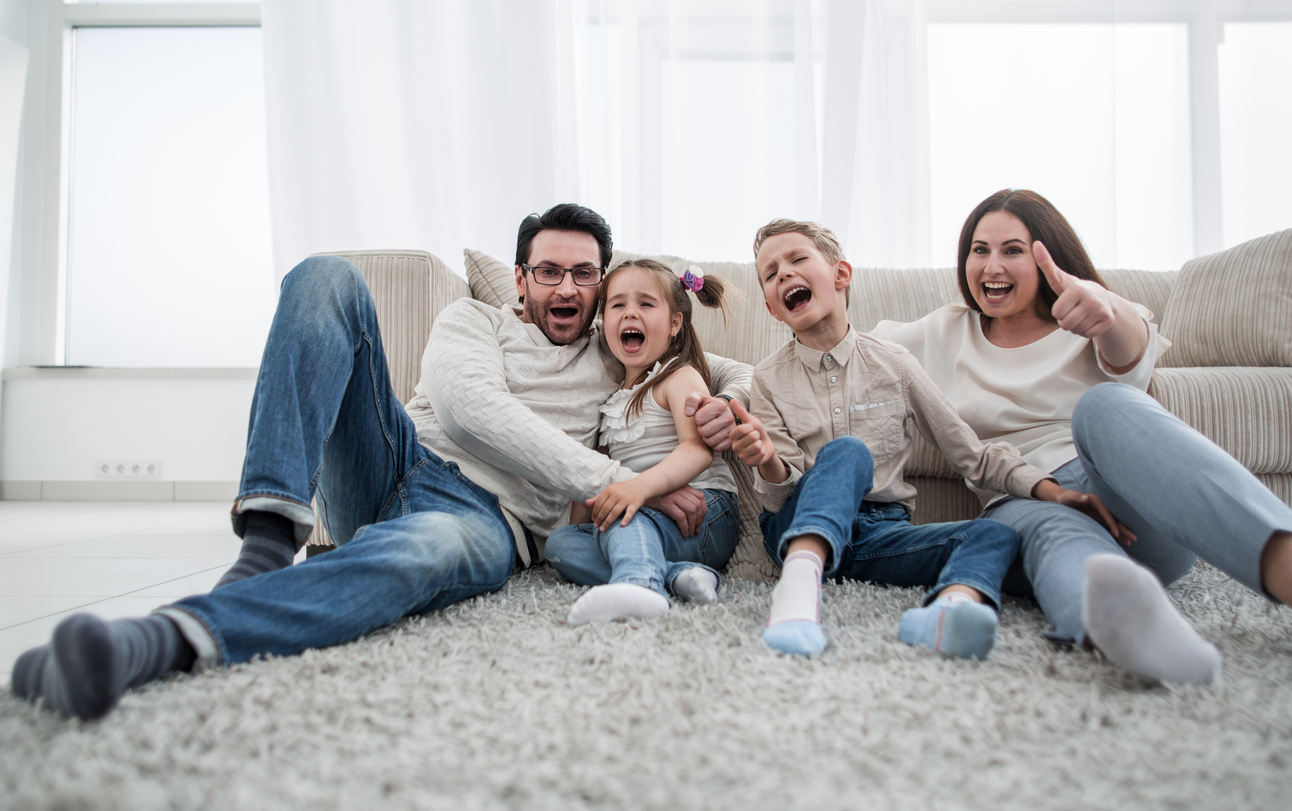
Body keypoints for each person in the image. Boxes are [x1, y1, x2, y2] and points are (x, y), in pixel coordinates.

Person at [11, 203, 750, 721]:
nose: (566, 288)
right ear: (521, 280)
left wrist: (729, 407)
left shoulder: (620, 344)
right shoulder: (472, 319)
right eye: (548, 271)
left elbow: (733, 368)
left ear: (601, 282)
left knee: (418, 553)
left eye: (583, 274)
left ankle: (156, 641)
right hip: (393, 454)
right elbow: (466, 409)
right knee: (324, 277)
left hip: (485, 517)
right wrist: (622, 488)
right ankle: (267, 543)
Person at [872, 188, 1292, 684]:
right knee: (1042, 526)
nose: (991, 266)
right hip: (1024, 499)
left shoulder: (1088, 313)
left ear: (1047, 254)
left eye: (1012, 250)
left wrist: (1109, 314)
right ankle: (1138, 639)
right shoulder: (940, 331)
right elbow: (847, 350)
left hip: (1133, 505)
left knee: (1106, 404)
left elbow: (1131, 357)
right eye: (979, 250)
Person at [727, 218, 1121, 660]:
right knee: (848, 454)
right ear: (772, 308)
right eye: (771, 272)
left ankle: (947, 612)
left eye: (798, 259)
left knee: (996, 534)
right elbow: (781, 496)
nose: (784, 273)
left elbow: (973, 456)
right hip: (797, 528)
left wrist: (1056, 492)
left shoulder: (895, 363)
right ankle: (797, 592)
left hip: (878, 537)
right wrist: (766, 462)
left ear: (841, 275)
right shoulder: (766, 377)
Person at [545, 259, 740, 625]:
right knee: (562, 545)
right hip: (646, 517)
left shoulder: (678, 376)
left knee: (622, 520)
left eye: (646, 304)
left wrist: (636, 489)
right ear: (604, 323)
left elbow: (697, 449)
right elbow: (593, 481)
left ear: (674, 324)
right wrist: (586, 520)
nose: (630, 312)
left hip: (704, 511)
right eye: (617, 304)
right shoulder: (609, 401)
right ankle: (677, 576)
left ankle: (641, 586)